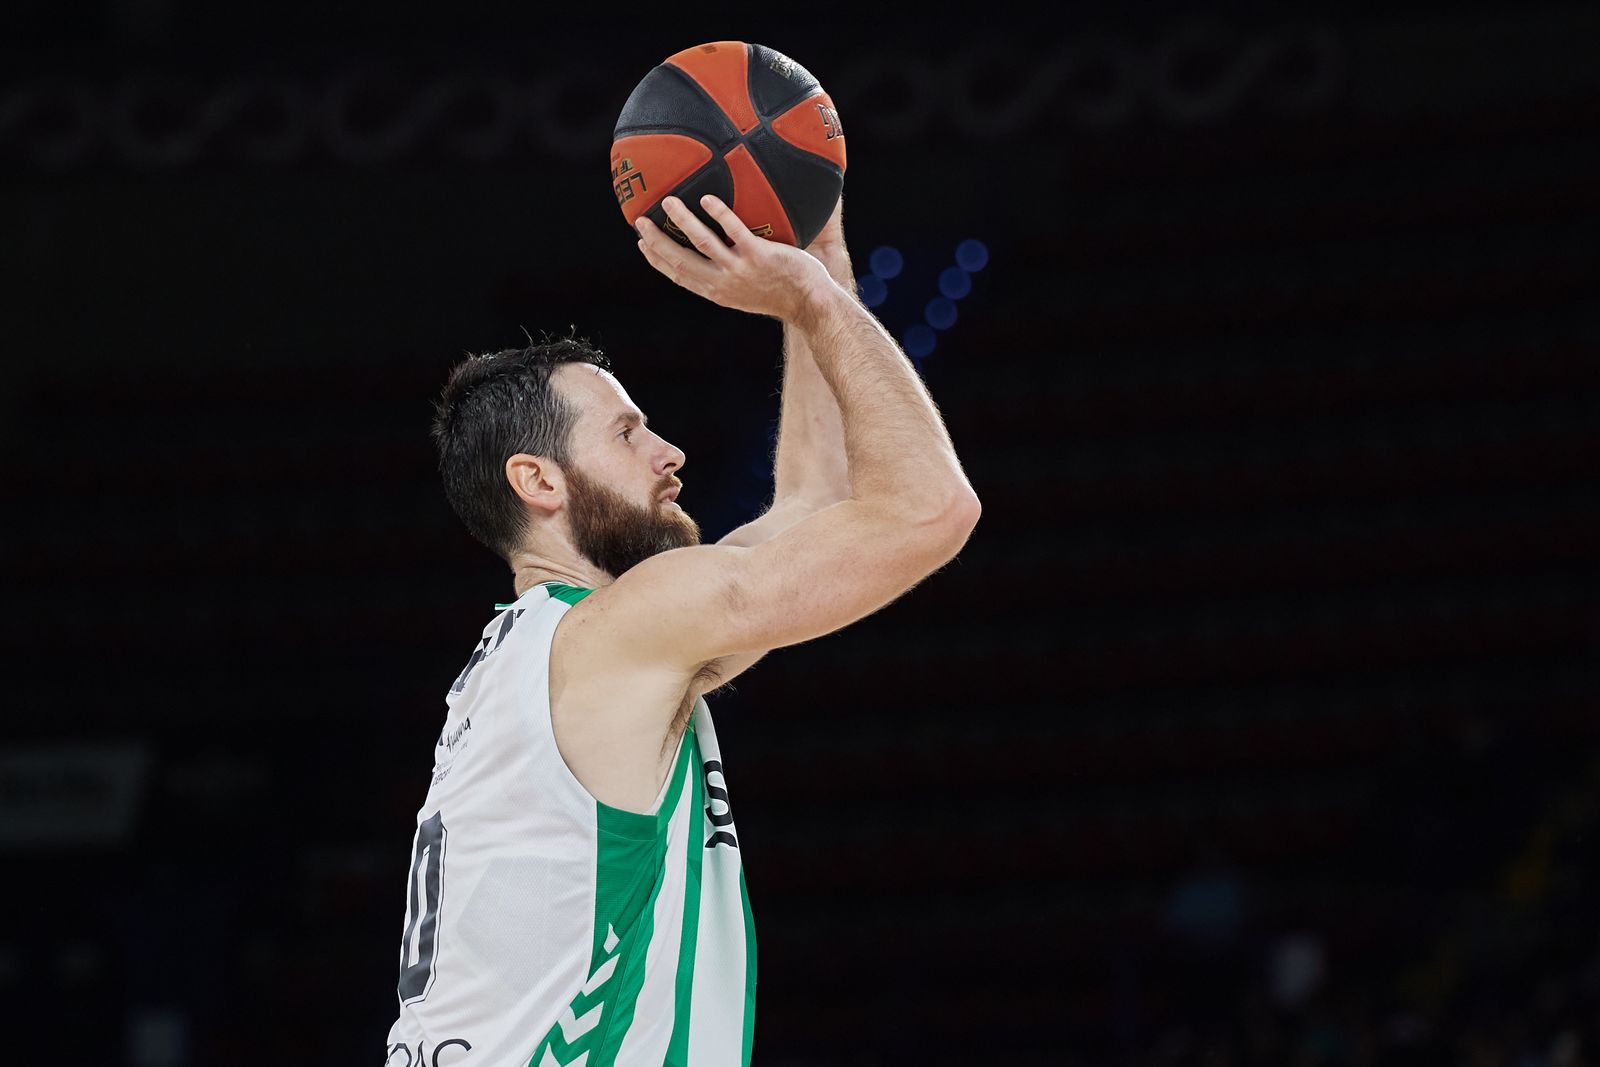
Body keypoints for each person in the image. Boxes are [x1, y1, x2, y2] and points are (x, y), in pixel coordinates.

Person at [384, 193, 980, 1067]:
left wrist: (819, 263)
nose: (671, 451)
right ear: (538, 480)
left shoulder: (546, 656)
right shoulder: (619, 633)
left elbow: (813, 505)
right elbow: (932, 509)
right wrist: (814, 303)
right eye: (628, 434)